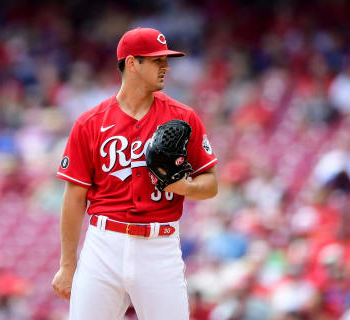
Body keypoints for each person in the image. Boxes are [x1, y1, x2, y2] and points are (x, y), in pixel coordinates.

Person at [51, 27, 218, 320]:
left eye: (166, 60)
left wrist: (185, 187)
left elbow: (211, 183)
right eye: (157, 60)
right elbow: (74, 198)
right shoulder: (90, 122)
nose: (165, 67)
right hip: (104, 243)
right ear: (131, 63)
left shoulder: (183, 117)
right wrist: (68, 265)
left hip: (160, 246)